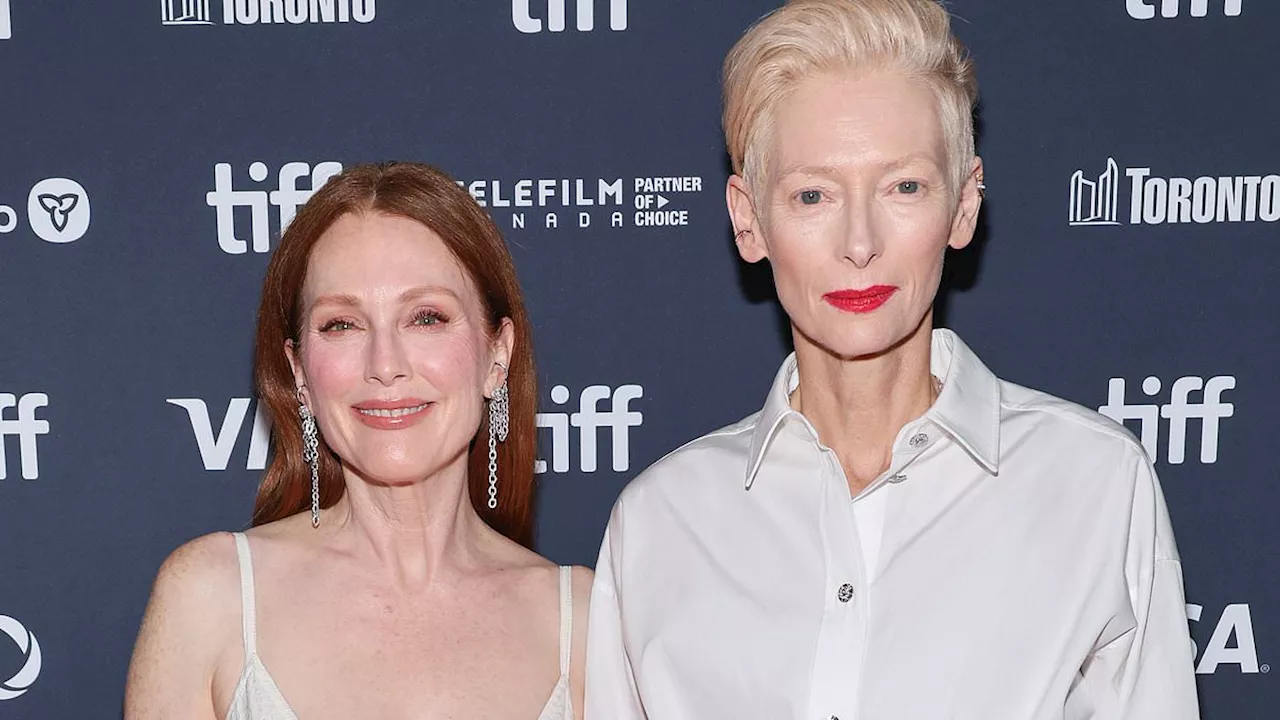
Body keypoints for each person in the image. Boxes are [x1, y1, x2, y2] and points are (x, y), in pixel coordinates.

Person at [585, 1, 1200, 718]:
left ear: (964, 206)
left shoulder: (1094, 484)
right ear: (748, 221)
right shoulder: (662, 523)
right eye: (812, 194)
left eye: (903, 187)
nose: (859, 242)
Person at [124, 162, 590, 719]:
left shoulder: (578, 622)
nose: (385, 365)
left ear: (498, 355)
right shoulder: (211, 597)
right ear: (299, 370)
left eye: (426, 317)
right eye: (342, 325)